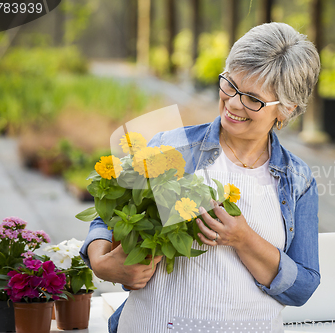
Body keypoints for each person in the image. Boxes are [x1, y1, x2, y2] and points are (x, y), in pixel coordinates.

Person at [80, 22, 321, 333]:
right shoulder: (172, 147)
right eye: (229, 85)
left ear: (286, 109)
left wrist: (243, 239)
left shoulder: (297, 179)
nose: (233, 103)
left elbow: (303, 288)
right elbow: (110, 216)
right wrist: (100, 261)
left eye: (252, 98)